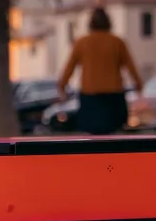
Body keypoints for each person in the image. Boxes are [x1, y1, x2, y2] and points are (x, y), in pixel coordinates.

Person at [57, 7, 143, 135]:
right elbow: (130, 66)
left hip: (90, 97)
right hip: (113, 95)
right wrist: (138, 85)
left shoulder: (82, 43)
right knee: (113, 133)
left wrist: (62, 86)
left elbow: (70, 67)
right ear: (109, 22)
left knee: (93, 135)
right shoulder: (117, 42)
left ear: (90, 23)